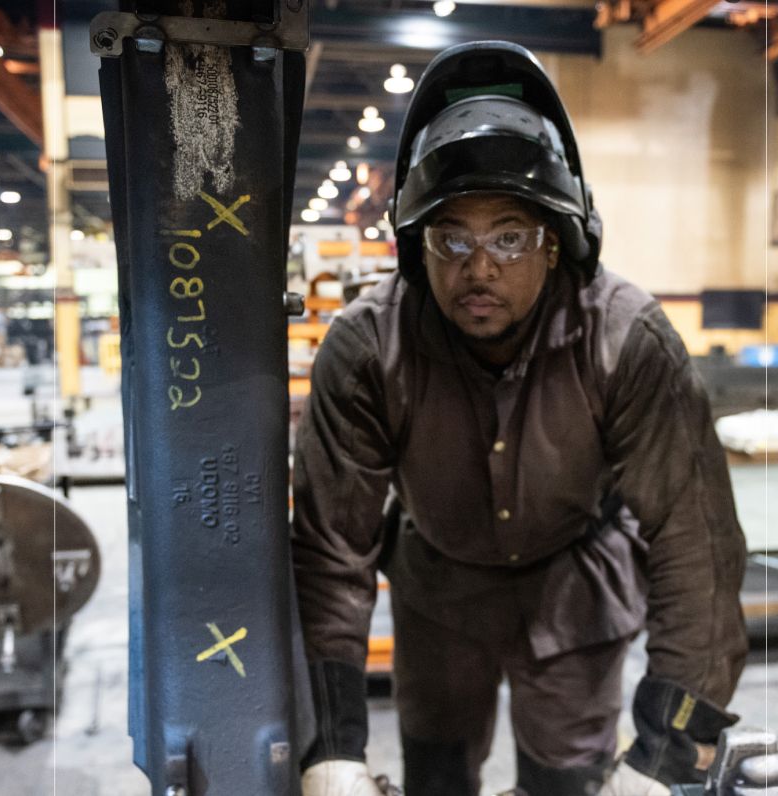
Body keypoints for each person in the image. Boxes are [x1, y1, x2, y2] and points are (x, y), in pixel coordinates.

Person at [292, 41, 747, 796]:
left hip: (576, 588)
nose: (479, 267)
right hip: (437, 590)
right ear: (415, 245)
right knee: (435, 775)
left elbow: (694, 543)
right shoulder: (368, 346)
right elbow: (330, 549)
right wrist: (330, 744)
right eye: (452, 237)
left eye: (509, 235)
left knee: (565, 782)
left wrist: (668, 752)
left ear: (558, 241)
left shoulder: (627, 340)